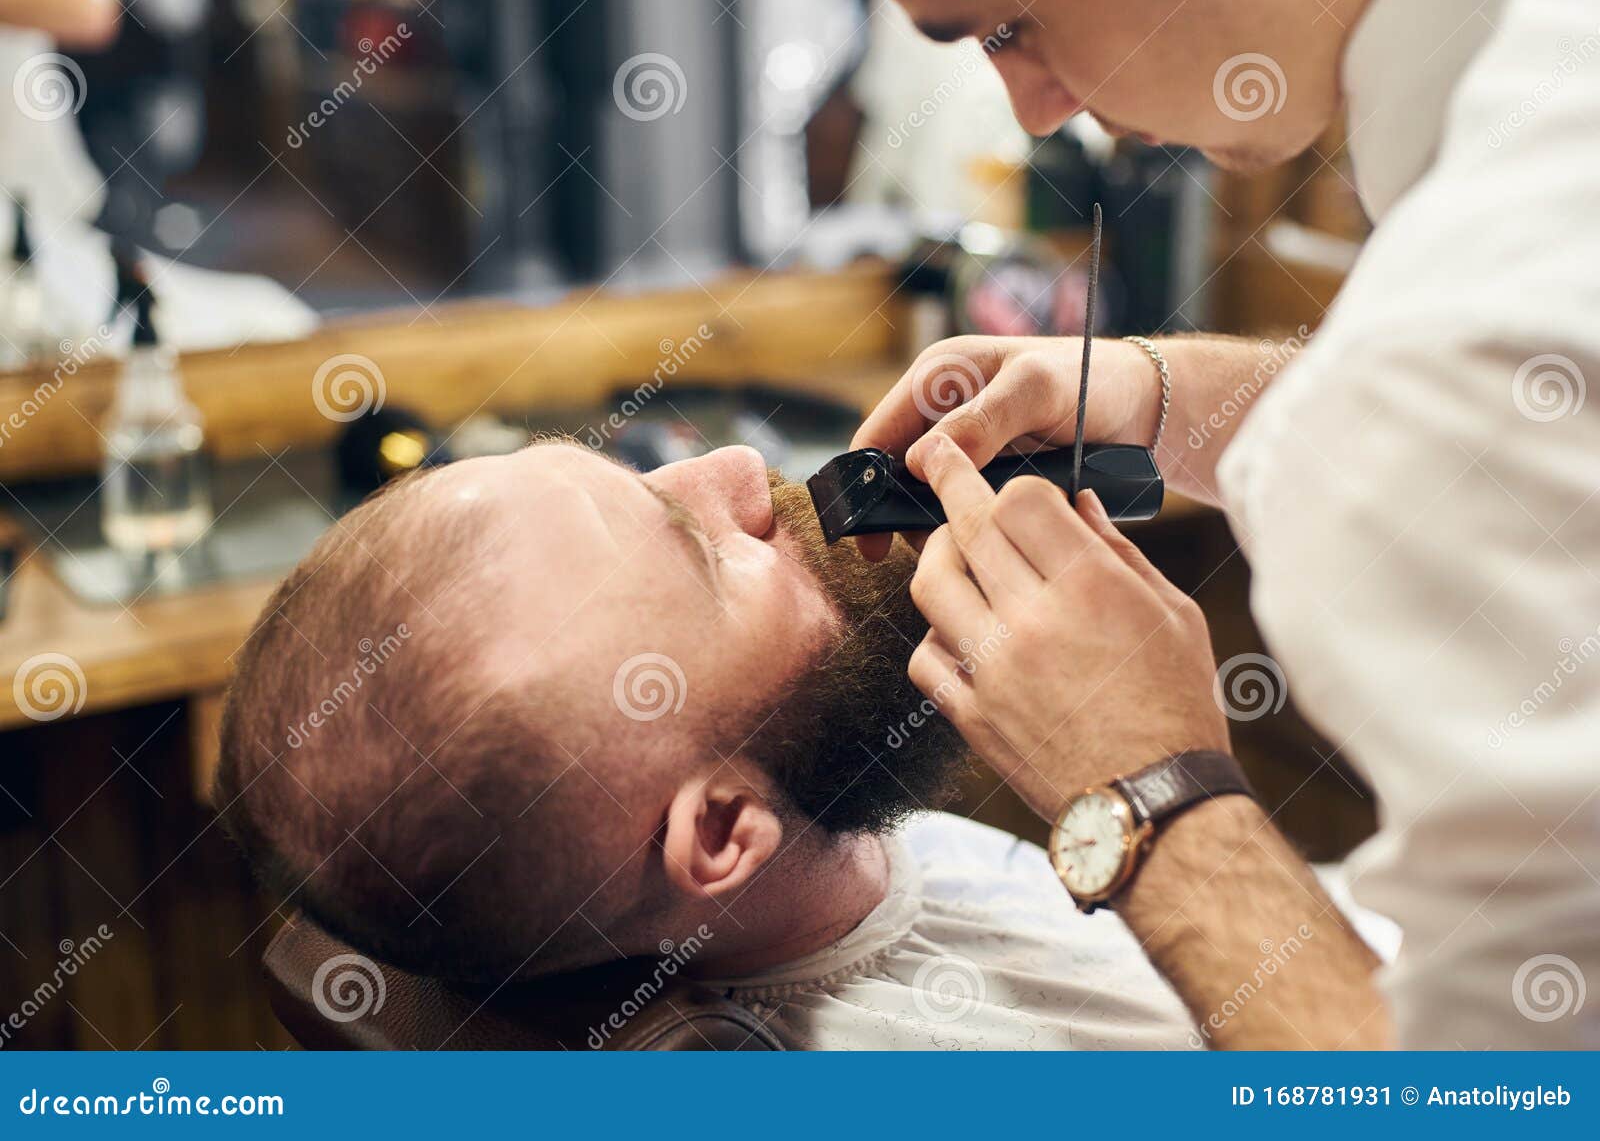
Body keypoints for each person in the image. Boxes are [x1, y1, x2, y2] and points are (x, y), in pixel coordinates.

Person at [857, 0, 1600, 1048]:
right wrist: (1160, 398)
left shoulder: (1458, 336)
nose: (1032, 110)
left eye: (1009, 26)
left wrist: (1142, 792)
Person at [215, 437, 1228, 1050]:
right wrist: (1174, 783)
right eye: (704, 550)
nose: (738, 469)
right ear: (722, 831)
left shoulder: (828, 837)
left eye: (644, 475)